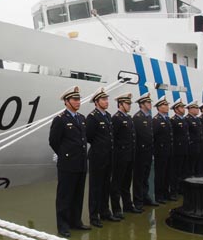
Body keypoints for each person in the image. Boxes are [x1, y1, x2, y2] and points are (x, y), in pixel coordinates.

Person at [49, 86, 91, 237]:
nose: (78, 102)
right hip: (67, 164)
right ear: (66, 101)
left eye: (79, 99)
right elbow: (53, 141)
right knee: (65, 196)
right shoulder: (60, 120)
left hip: (80, 163)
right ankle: (63, 225)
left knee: (78, 195)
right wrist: (64, 154)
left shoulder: (81, 118)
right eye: (74, 99)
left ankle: (76, 221)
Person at [85, 87, 119, 228]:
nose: (106, 101)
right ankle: (94, 216)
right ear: (96, 102)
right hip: (97, 157)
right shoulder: (92, 117)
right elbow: (89, 136)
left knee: (106, 185)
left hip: (108, 157)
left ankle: (105, 212)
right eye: (103, 99)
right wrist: (100, 148)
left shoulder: (108, 116)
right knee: (95, 187)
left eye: (106, 99)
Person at [110, 93, 140, 219]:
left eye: (129, 104)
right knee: (116, 183)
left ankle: (128, 205)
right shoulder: (116, 118)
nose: (129, 106)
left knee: (127, 182)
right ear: (120, 104)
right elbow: (113, 138)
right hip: (120, 156)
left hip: (129, 156)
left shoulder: (128, 118)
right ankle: (117, 209)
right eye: (127, 104)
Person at [132, 92, 156, 211]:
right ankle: (138, 201)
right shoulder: (137, 118)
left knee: (145, 177)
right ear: (142, 104)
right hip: (140, 153)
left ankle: (145, 197)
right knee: (138, 178)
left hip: (148, 152)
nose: (150, 104)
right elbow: (135, 136)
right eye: (148, 102)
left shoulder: (148, 117)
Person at [152, 95, 173, 204]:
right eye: (164, 105)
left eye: (167, 105)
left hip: (168, 151)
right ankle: (158, 195)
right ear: (159, 107)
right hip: (160, 152)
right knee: (160, 174)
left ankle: (166, 193)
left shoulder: (167, 119)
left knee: (167, 173)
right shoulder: (156, 120)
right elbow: (153, 137)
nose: (167, 106)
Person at [169, 98, 189, 199]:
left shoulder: (184, 120)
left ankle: (181, 189)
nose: (183, 109)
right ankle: (173, 191)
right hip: (177, 150)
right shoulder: (173, 120)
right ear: (176, 109)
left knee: (183, 171)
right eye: (181, 107)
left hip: (184, 149)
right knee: (175, 172)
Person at [186, 100, 203, 176]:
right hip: (192, 146)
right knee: (191, 166)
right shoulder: (187, 119)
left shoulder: (197, 119)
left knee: (198, 165)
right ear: (190, 109)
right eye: (195, 108)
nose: (197, 110)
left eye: (197, 108)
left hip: (198, 145)